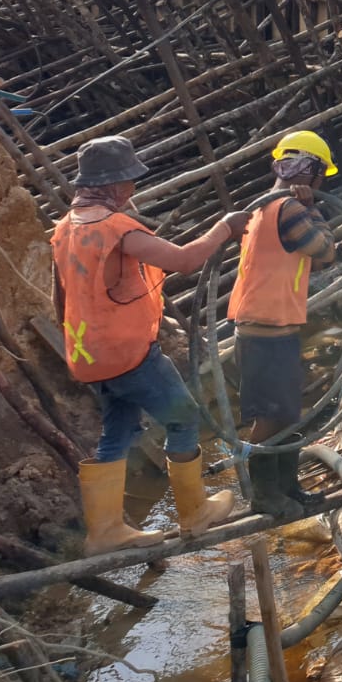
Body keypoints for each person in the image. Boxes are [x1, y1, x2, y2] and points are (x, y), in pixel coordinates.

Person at [51, 136, 248, 553]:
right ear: (116, 184)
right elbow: (184, 260)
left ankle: (104, 531)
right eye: (129, 182)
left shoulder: (66, 227)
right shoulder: (116, 230)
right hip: (128, 353)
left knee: (116, 432)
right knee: (184, 418)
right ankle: (195, 514)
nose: (133, 191)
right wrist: (224, 228)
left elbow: (61, 297)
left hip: (90, 355)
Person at [228, 130, 340, 519]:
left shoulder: (269, 207)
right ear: (311, 172)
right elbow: (323, 250)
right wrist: (314, 211)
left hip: (272, 329)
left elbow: (320, 257)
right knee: (270, 417)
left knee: (290, 412)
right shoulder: (289, 209)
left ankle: (287, 487)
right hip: (264, 333)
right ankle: (264, 494)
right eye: (322, 175)